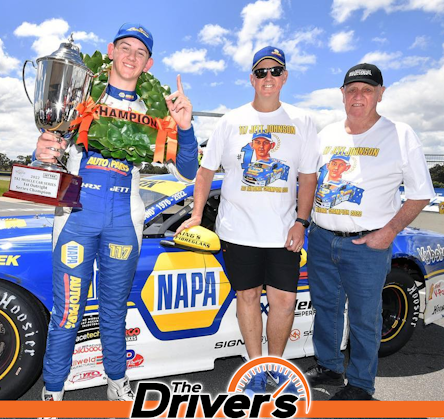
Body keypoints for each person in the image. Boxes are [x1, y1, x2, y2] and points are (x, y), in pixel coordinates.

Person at [33, 23, 198, 419]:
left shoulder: (155, 109)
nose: (131, 56)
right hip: (75, 218)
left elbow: (188, 171)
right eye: (125, 47)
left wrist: (186, 126)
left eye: (140, 52)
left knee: (113, 311)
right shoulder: (82, 94)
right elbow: (48, 153)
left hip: (125, 221)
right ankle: (52, 397)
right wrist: (43, 151)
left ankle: (117, 383)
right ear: (110, 50)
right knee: (67, 314)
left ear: (149, 63)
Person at [176, 46, 319, 396]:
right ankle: (256, 368)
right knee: (248, 296)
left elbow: (308, 177)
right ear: (251, 79)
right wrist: (196, 216)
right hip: (237, 231)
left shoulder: (302, 121)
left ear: (284, 77)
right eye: (261, 72)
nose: (268, 77)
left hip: (283, 232)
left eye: (275, 71)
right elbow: (205, 172)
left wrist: (301, 222)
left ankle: (276, 367)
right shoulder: (231, 121)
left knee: (284, 302)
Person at [306, 63, 435, 400]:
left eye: (367, 89)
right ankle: (330, 367)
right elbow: (309, 182)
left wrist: (388, 232)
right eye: (352, 90)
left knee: (365, 316)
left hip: (367, 244)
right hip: (322, 238)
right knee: (326, 308)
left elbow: (421, 193)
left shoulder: (400, 134)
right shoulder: (326, 134)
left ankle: (361, 384)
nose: (358, 96)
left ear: (381, 93)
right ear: (342, 94)